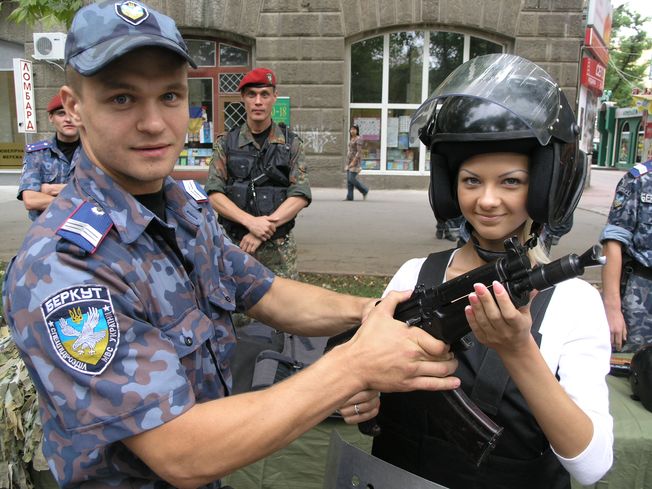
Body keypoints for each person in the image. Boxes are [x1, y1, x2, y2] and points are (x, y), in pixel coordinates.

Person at [1, 2, 460, 488]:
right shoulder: (64, 267)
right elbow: (181, 452)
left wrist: (373, 311)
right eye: (122, 99)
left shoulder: (180, 207)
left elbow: (267, 292)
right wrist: (353, 366)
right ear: (74, 108)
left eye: (171, 96)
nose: (154, 123)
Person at [370, 54, 613, 489]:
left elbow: (591, 466)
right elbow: (364, 374)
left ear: (542, 187)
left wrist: (518, 349)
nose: (486, 200)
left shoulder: (574, 303)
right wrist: (364, 395)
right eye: (470, 181)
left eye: (511, 181)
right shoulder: (413, 276)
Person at [204, 67, 308, 280]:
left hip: (279, 253)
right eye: (252, 94)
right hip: (236, 246)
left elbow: (300, 194)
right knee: (237, 309)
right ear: (243, 98)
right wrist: (251, 223)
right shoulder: (226, 143)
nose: (258, 101)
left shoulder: (291, 144)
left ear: (274, 98)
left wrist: (264, 227)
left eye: (264, 94)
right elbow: (214, 194)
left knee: (284, 310)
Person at [600, 159, 652, 352]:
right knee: (634, 368)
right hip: (641, 300)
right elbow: (613, 241)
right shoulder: (639, 180)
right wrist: (612, 308)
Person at [17, 92, 81, 221]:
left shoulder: (95, 153)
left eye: (73, 113)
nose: (68, 119)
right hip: (47, 229)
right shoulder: (36, 154)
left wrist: (49, 189)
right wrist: (79, 197)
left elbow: (107, 196)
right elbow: (31, 200)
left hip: (88, 227)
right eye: (61, 113)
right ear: (51, 118)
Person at [345, 124, 369, 201]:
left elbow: (359, 152)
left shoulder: (359, 139)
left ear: (357, 130)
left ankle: (364, 190)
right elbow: (350, 151)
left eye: (354, 129)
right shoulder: (352, 139)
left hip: (355, 162)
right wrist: (347, 163)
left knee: (351, 178)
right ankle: (350, 196)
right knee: (349, 180)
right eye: (351, 129)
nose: (352, 130)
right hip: (349, 161)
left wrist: (353, 162)